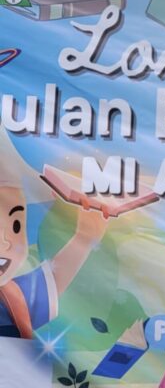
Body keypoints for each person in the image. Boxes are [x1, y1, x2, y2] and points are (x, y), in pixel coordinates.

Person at [0, 130, 108, 339]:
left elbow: (52, 279)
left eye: (16, 226)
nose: (5, 242)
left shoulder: (12, 299)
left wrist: (84, 237)